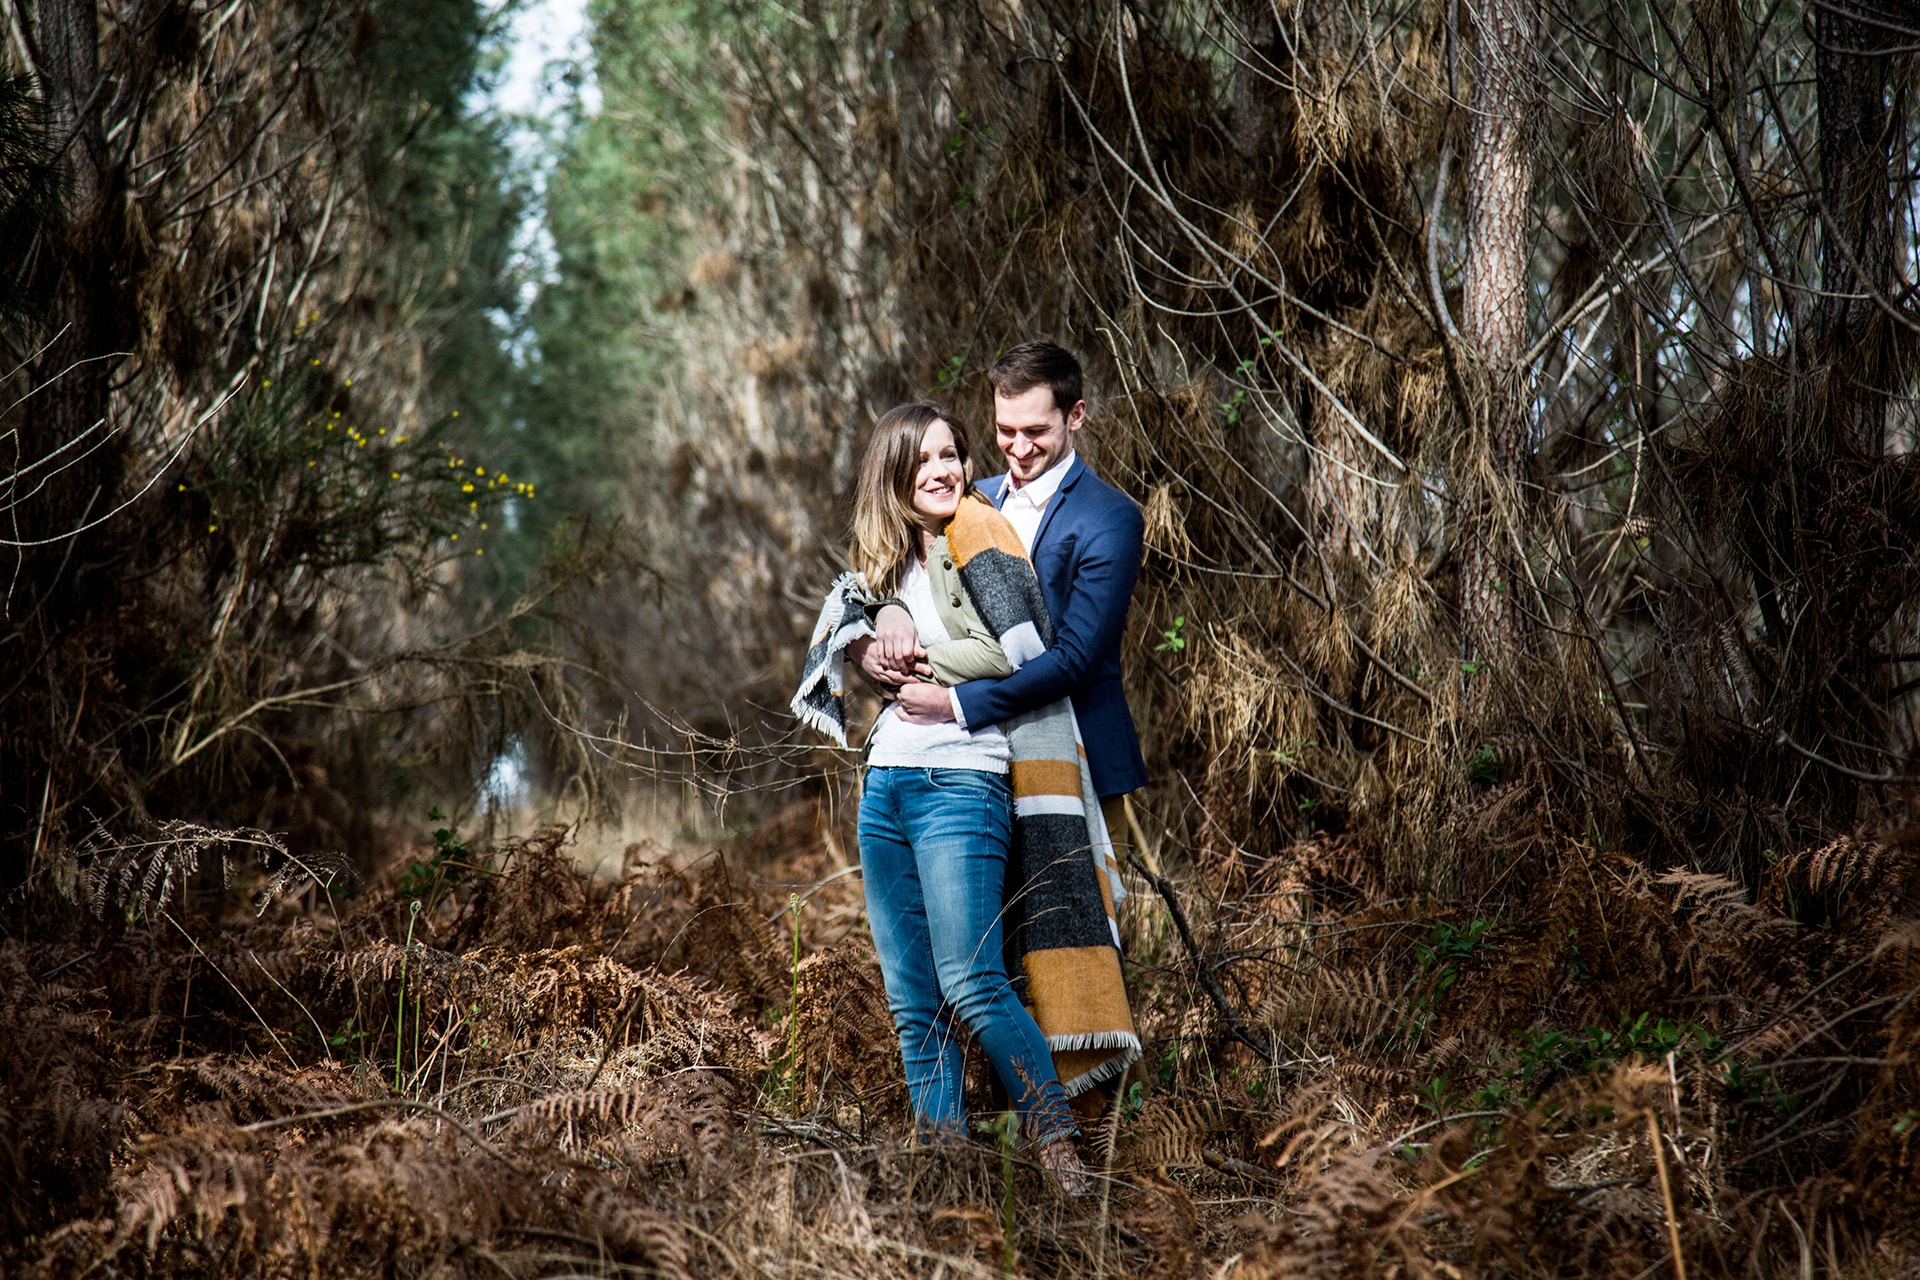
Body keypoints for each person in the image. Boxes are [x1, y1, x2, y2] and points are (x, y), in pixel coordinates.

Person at [817, 401, 1099, 1191]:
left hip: (961, 779)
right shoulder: (881, 567)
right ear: (895, 476)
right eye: (925, 460)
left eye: (952, 454)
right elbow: (844, 628)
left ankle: (1058, 1147)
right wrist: (878, 626)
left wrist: (921, 656)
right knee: (914, 1002)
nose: (943, 471)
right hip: (887, 786)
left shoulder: (981, 535)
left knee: (973, 981)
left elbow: (1017, 651)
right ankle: (946, 1172)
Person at [862, 341, 1148, 905]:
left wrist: (956, 704)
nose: (1019, 447)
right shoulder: (971, 499)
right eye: (1004, 429)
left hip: (1079, 754)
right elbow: (894, 572)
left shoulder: (1109, 519)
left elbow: (1074, 659)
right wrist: (880, 622)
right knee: (995, 937)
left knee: (1082, 940)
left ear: (1077, 416)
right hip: (983, 763)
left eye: (1036, 431)